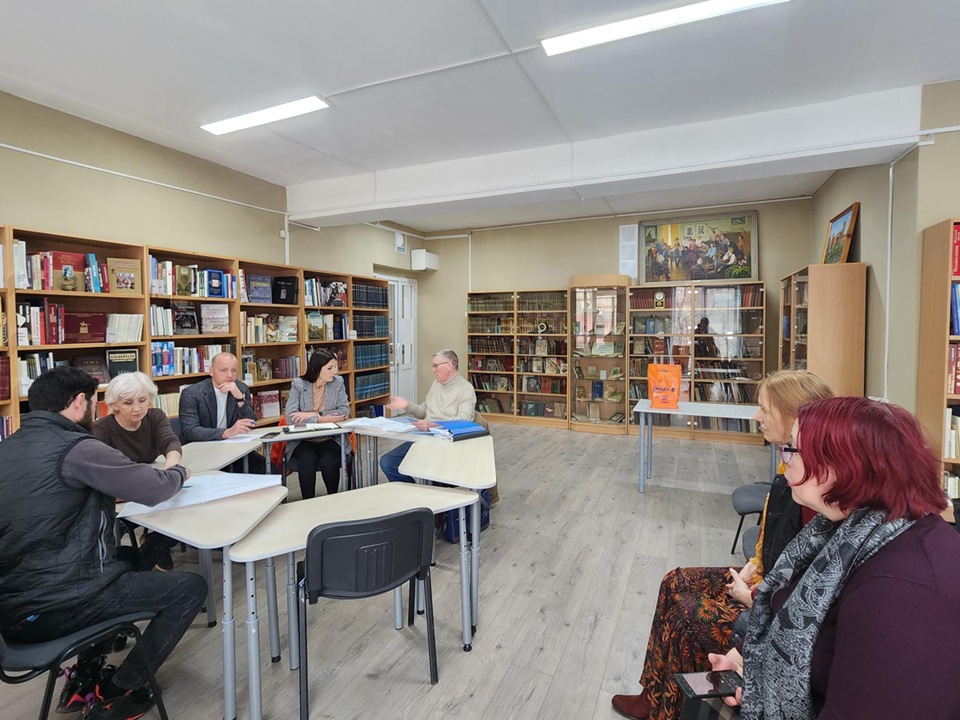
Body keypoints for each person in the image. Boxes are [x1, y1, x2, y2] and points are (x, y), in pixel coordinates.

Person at [709, 396, 960, 719]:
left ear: (843, 468)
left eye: (792, 449)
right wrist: (745, 662)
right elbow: (798, 611)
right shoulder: (849, 530)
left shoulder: (901, 591)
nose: (785, 461)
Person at [611, 370, 833, 720]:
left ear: (795, 417)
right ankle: (652, 695)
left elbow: (809, 600)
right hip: (763, 583)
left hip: (768, 610)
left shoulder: (815, 493)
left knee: (687, 618)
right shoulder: (788, 468)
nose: (756, 416)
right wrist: (756, 566)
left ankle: (668, 710)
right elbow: (777, 549)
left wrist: (754, 596)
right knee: (674, 581)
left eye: (765, 410)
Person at [0, 367, 205, 719]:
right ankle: (118, 691)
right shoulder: (78, 448)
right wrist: (177, 473)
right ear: (80, 402)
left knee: (128, 557)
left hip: (12, 610)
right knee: (189, 589)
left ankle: (84, 677)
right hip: (59, 605)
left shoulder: (7, 448)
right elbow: (154, 488)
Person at [94, 372, 183, 570]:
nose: (137, 408)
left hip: (149, 486)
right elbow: (103, 476)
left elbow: (170, 443)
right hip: (120, 495)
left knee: (183, 510)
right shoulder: (100, 430)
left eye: (142, 400)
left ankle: (150, 549)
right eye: (128, 403)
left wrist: (172, 468)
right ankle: (147, 557)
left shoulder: (155, 416)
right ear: (114, 404)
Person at [380, 349, 485, 484]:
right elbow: (424, 411)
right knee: (388, 462)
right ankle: (415, 492)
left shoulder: (465, 389)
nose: (433, 370)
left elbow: (464, 421)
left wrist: (435, 424)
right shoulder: (437, 384)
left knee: (434, 475)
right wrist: (407, 405)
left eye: (436, 366)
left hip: (446, 442)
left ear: (449, 365)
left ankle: (428, 492)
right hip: (425, 437)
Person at [178, 352, 265, 472]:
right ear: (211, 371)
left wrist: (239, 398)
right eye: (223, 370)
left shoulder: (240, 388)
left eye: (234, 370)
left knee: (267, 468)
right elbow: (190, 431)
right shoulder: (192, 393)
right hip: (201, 449)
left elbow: (251, 422)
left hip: (231, 448)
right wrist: (226, 432)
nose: (229, 375)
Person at [284, 348, 350, 499]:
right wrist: (324, 418)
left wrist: (314, 415)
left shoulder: (338, 382)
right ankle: (308, 502)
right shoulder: (299, 385)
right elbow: (290, 417)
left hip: (330, 438)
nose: (335, 371)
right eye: (330, 368)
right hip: (303, 440)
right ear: (317, 368)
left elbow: (344, 411)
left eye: (335, 367)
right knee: (307, 460)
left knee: (329, 460)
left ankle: (333, 499)